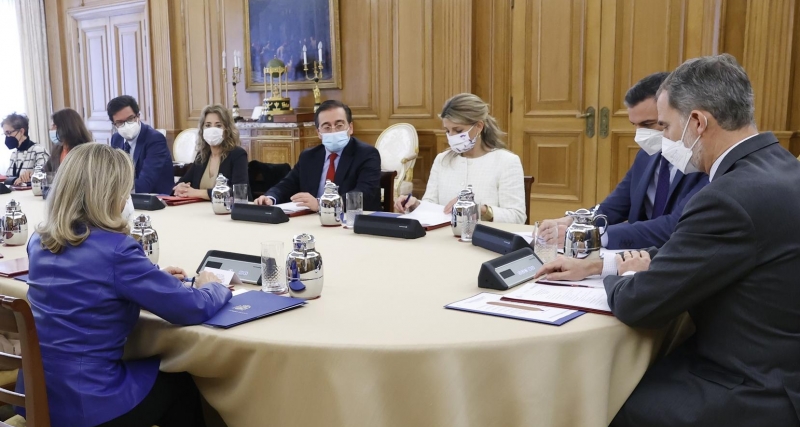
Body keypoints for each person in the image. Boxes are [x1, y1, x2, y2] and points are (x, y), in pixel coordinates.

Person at [535, 54, 800, 427]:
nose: (664, 140)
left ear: (696, 122)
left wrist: (623, 276)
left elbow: (641, 304)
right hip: (780, 368)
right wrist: (601, 261)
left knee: (595, 406)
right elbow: (703, 252)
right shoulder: (781, 167)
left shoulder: (727, 196)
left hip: (751, 392)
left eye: (666, 126)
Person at [20, 142, 231, 427]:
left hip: (37, 404)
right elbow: (192, 309)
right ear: (109, 195)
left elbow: (87, 277)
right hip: (87, 411)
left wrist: (152, 275)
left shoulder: (39, 241)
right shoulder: (117, 250)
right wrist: (215, 286)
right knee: (180, 380)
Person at [538, 73, 708, 249]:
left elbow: (672, 226)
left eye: (649, 124)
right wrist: (573, 221)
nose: (640, 134)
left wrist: (591, 236)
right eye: (634, 125)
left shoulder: (702, 161)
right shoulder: (645, 156)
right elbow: (613, 207)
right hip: (634, 257)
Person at [394, 93, 526, 224]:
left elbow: (517, 217)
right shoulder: (442, 160)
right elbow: (431, 205)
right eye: (447, 131)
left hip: (485, 240)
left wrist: (480, 209)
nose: (451, 136)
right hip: (443, 239)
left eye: (458, 131)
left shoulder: (506, 162)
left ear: (479, 127)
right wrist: (415, 205)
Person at [254, 100, 382, 211]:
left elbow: (364, 194)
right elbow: (287, 184)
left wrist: (323, 204)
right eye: (326, 127)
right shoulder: (309, 156)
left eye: (339, 125)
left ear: (350, 127)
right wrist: (270, 197)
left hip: (352, 223)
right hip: (312, 222)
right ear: (319, 133)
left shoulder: (367, 154)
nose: (333, 131)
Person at [174, 104, 249, 200]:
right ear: (202, 129)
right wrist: (180, 187)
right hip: (198, 211)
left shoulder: (237, 155)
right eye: (208, 125)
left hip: (227, 212)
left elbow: (239, 193)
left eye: (218, 125)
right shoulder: (201, 156)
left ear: (227, 130)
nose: (212, 130)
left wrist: (197, 193)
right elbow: (183, 182)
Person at [108, 95, 174, 195]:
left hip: (156, 200)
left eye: (130, 119)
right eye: (120, 122)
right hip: (126, 199)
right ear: (114, 124)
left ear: (138, 116)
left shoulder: (155, 139)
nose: (126, 125)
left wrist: (116, 194)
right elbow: (113, 176)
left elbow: (146, 183)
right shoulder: (116, 139)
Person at [1, 113, 49, 186]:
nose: (7, 137)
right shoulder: (14, 154)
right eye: (5, 134)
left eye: (9, 133)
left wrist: (31, 176)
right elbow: (8, 178)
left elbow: (46, 177)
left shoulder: (39, 151)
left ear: (21, 131)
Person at [43, 108, 93, 173]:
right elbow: (46, 170)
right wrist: (34, 174)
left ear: (65, 128)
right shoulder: (57, 149)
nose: (51, 129)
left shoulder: (84, 152)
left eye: (54, 126)